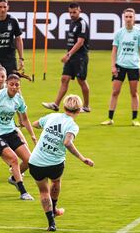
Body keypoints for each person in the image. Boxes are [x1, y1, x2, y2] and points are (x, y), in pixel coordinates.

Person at [30, 94, 94, 231]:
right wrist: (82, 158)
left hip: (35, 162)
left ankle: (51, 223)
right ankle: (54, 209)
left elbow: (35, 124)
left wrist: (45, 130)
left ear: (64, 107)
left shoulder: (51, 116)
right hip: (55, 164)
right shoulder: (72, 125)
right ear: (79, 110)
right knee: (56, 181)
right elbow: (67, 142)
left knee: (43, 191)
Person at [42, 2, 91, 113]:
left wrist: (68, 54)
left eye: (74, 12)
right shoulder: (72, 23)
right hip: (71, 57)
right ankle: (56, 104)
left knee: (81, 81)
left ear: (79, 11)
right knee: (64, 79)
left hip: (80, 57)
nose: (72, 14)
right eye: (70, 12)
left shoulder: (82, 24)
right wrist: (69, 55)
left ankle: (87, 106)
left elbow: (80, 42)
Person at [101, 8, 140, 127]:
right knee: (115, 92)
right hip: (120, 65)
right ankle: (110, 118)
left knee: (134, 92)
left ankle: (135, 119)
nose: (128, 19)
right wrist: (113, 65)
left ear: (134, 18)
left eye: (130, 17)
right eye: (126, 17)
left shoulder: (139, 33)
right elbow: (114, 50)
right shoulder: (119, 33)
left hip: (134, 66)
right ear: (123, 18)